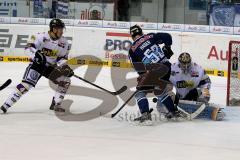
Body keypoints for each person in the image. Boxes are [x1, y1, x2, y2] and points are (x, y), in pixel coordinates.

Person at [1, 18, 74, 114]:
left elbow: (62, 58)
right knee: (26, 85)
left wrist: (64, 67)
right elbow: (28, 48)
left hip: (50, 68)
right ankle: (5, 105)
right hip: (37, 65)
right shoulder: (40, 36)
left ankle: (56, 104)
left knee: (65, 81)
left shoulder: (64, 43)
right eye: (60, 29)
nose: (61, 31)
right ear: (53, 29)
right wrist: (36, 56)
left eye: (62, 29)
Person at [128, 25, 181, 124]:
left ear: (132, 36)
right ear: (141, 32)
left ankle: (146, 116)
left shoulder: (132, 49)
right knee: (159, 91)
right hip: (167, 67)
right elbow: (167, 36)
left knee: (140, 92)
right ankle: (173, 112)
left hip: (155, 70)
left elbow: (138, 67)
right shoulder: (150, 36)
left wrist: (143, 76)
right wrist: (167, 47)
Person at [159, 52, 224, 121]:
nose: (186, 66)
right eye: (183, 64)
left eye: (188, 64)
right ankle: (172, 110)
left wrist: (206, 89)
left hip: (194, 95)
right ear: (179, 62)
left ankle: (203, 108)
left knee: (205, 95)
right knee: (163, 99)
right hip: (179, 98)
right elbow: (163, 82)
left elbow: (206, 82)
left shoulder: (198, 69)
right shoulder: (172, 68)